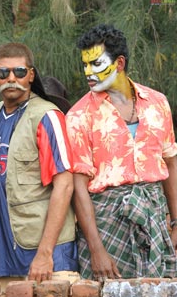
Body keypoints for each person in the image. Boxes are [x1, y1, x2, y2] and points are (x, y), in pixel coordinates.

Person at [66, 24, 177, 281]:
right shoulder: (79, 115)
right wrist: (96, 249)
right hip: (106, 223)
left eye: (96, 63)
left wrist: (175, 222)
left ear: (119, 63)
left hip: (154, 216)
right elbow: (78, 186)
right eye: (84, 64)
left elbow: (170, 163)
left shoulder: (158, 103)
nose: (88, 72)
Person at [0, 42, 78, 287]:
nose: (12, 78)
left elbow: (64, 186)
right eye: (4, 72)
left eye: (19, 72)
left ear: (31, 75)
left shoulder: (47, 116)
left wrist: (45, 253)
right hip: (3, 257)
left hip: (46, 257)